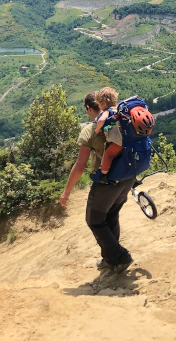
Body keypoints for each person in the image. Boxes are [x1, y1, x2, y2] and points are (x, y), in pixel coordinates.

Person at [60, 91, 135, 272]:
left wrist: (67, 191)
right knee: (111, 215)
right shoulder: (122, 119)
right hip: (128, 176)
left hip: (107, 182)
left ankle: (121, 257)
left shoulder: (90, 130)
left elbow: (80, 166)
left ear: (88, 108)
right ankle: (110, 259)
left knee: (94, 220)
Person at [94, 86, 124, 184]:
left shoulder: (108, 111)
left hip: (118, 141)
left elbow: (101, 120)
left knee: (108, 154)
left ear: (103, 103)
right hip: (128, 138)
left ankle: (104, 175)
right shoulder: (120, 109)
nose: (99, 107)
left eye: (99, 105)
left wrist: (97, 129)